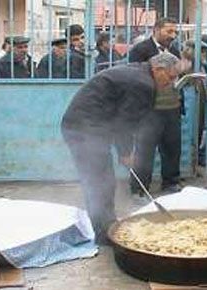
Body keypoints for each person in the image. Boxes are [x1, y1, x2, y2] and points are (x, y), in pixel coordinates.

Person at [61, 52, 181, 245]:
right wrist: (125, 153)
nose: (173, 82)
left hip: (90, 125)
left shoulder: (140, 72)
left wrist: (123, 150)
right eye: (171, 76)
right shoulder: (144, 85)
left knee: (102, 180)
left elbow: (122, 118)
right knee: (100, 181)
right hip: (84, 127)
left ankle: (106, 225)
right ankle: (104, 233)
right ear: (158, 70)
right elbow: (124, 122)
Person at [127, 18, 183, 193]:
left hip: (171, 108)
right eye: (169, 31)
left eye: (175, 32)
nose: (173, 36)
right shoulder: (140, 50)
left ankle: (171, 183)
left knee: (172, 147)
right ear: (156, 30)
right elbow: (136, 78)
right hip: (149, 109)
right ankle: (140, 187)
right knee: (145, 149)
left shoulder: (175, 50)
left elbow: (177, 76)